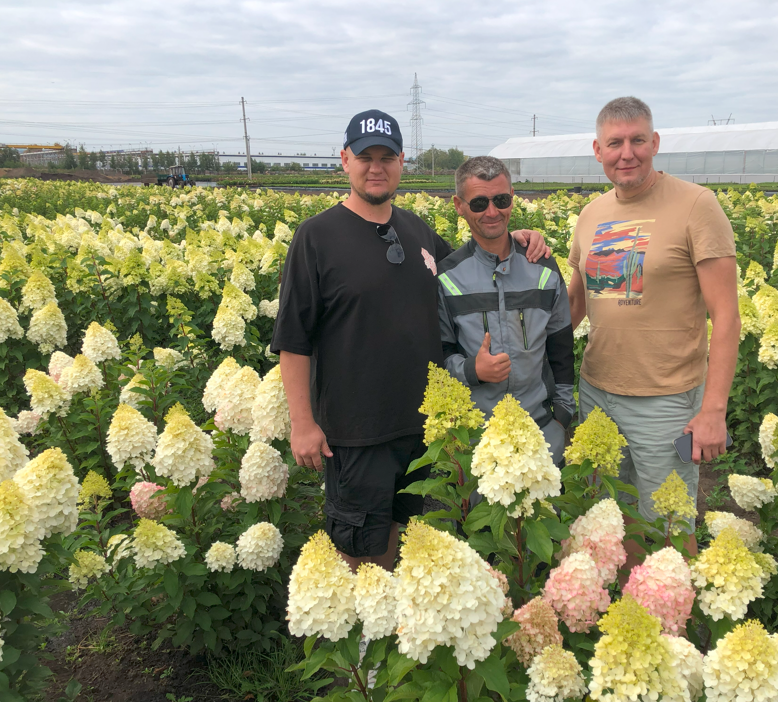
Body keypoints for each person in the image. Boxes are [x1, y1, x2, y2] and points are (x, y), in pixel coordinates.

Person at [270, 110, 549, 572]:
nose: (376, 167)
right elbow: (293, 339)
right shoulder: (316, 236)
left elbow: (468, 268)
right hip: (357, 430)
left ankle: (389, 611)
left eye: (387, 157)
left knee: (401, 534)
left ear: (402, 162)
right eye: (366, 157)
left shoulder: (416, 229)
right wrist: (303, 423)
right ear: (345, 160)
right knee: (357, 543)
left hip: (422, 425)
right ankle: (357, 617)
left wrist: (511, 238)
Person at [567, 97, 740, 558]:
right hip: (597, 391)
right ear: (598, 150)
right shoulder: (591, 214)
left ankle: (670, 599)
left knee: (668, 523)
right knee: (609, 513)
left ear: (655, 142)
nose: (627, 153)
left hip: (665, 400)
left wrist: (713, 410)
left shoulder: (696, 205)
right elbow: (576, 302)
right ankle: (628, 595)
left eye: (637, 140)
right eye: (615, 143)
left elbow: (726, 316)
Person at [437, 156, 574, 465]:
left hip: (542, 430)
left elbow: (562, 347)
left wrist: (563, 416)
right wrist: (473, 370)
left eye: (501, 200)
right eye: (479, 203)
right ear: (459, 206)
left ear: (512, 197)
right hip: (478, 438)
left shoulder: (543, 267)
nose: (492, 212)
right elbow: (440, 354)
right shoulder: (447, 276)